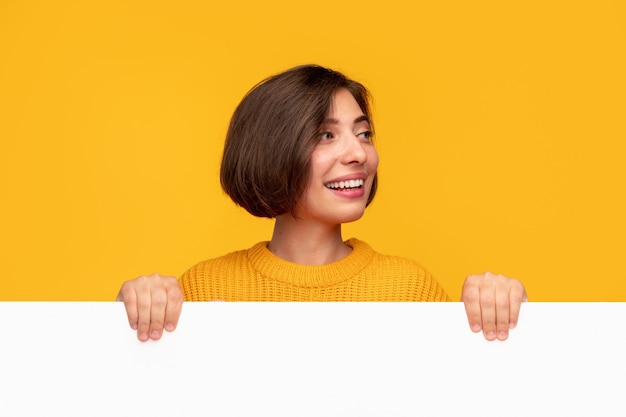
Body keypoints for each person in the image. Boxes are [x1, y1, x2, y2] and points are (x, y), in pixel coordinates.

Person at [117, 64, 527, 343]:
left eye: (363, 134)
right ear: (273, 150)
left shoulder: (408, 288)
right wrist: (130, 311)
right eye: (326, 135)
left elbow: (467, 392)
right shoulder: (204, 290)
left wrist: (502, 306)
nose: (359, 154)